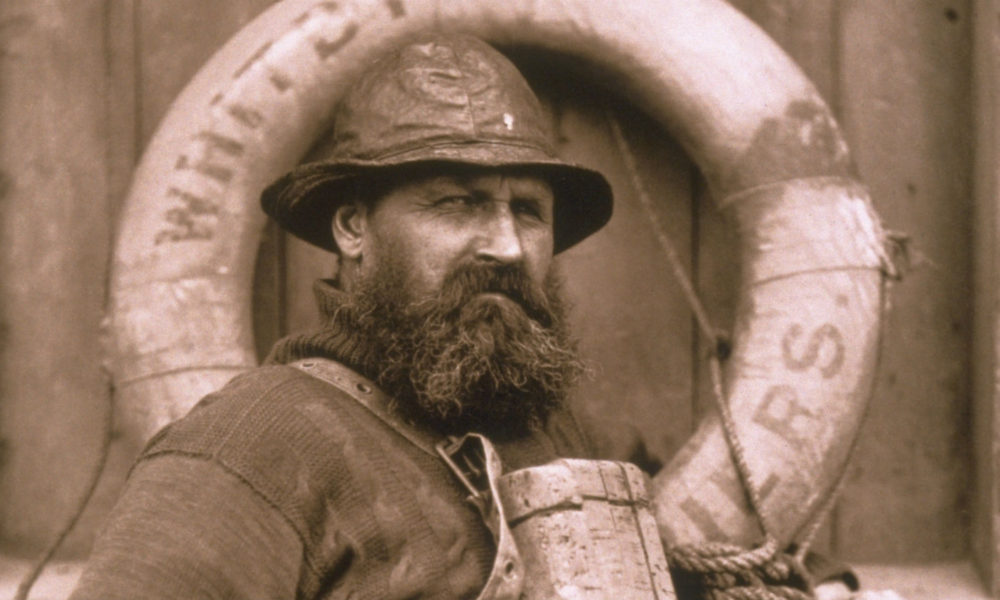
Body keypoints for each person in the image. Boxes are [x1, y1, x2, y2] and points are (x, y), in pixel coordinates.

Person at [69, 32, 615, 599]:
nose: (507, 246)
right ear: (354, 228)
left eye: (527, 211)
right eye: (458, 203)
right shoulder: (246, 446)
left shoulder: (555, 432)